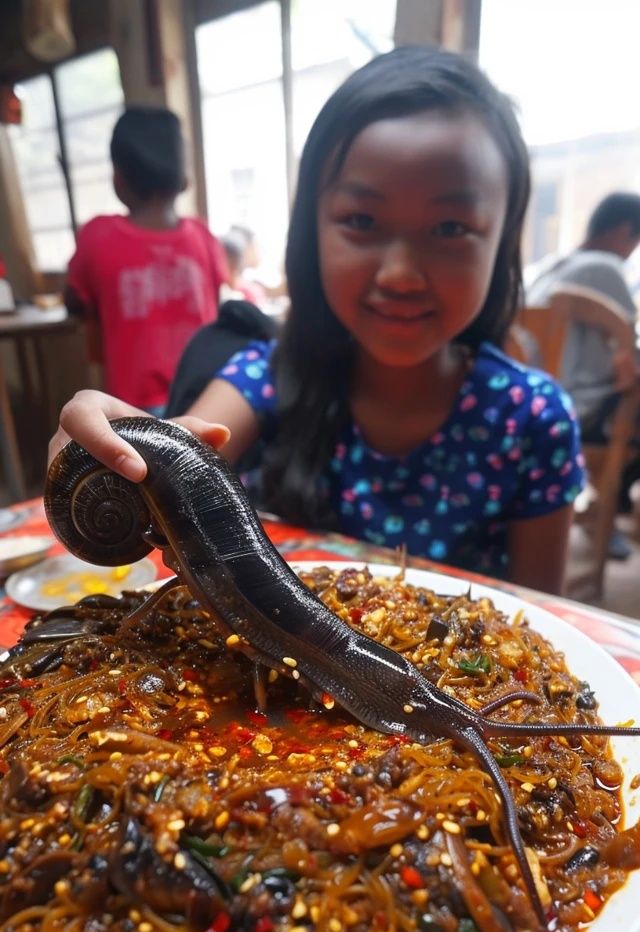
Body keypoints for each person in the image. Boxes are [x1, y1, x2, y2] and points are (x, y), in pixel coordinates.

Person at [50, 46, 585, 594]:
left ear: (502, 241)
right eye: (361, 220)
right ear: (312, 232)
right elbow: (185, 449)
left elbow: (545, 615)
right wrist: (103, 454)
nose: (401, 274)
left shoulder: (535, 421)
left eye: (450, 228)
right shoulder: (267, 374)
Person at [64, 106, 228, 414]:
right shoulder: (203, 237)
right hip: (206, 399)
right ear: (183, 177)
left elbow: (75, 300)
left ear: (119, 177)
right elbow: (216, 310)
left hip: (131, 407)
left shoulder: (96, 237)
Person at [527, 193, 640, 557]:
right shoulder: (605, 268)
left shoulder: (549, 266)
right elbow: (630, 355)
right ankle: (610, 515)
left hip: (533, 406)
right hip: (580, 411)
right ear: (625, 231)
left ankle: (603, 517)